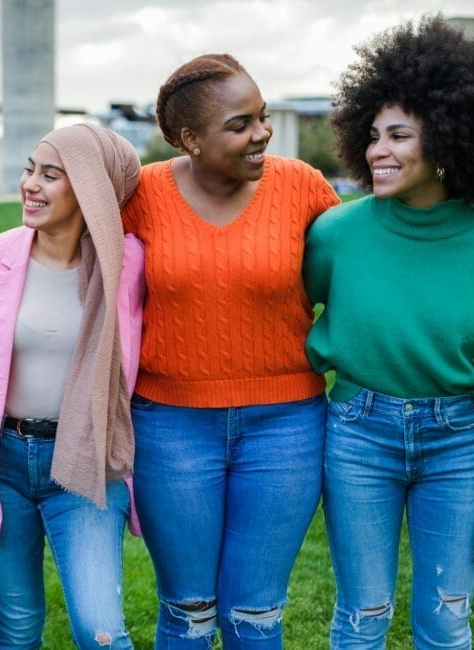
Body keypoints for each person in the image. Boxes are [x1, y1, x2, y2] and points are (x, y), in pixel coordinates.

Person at [122, 54, 340, 648]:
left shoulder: (302, 185)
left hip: (287, 428)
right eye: (240, 124)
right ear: (189, 139)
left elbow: (361, 271)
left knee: (253, 615)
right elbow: (82, 274)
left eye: (263, 117)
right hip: (170, 427)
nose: (262, 133)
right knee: (189, 614)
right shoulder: (142, 193)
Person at [306, 15, 474, 648]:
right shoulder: (336, 234)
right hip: (359, 434)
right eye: (372, 134)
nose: (377, 151)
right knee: (362, 617)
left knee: (446, 620)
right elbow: (279, 313)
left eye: (399, 134)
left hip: (460, 443)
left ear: (447, 138)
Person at [0, 123, 144, 648]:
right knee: (15, 629)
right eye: (29, 169)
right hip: (4, 460)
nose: (30, 184)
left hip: (87, 461)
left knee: (100, 629)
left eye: (50, 175)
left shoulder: (129, 264)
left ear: (90, 189)